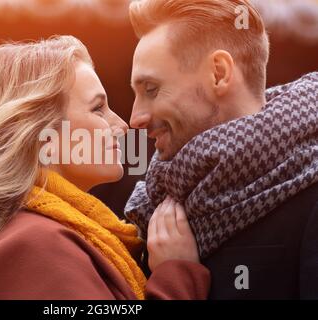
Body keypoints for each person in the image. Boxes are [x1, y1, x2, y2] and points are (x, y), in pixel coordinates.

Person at [0, 35, 210, 300]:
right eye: (98, 109)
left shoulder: (48, 238)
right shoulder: (32, 247)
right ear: (43, 136)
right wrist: (177, 272)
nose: (123, 125)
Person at [125, 0, 318, 299]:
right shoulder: (153, 208)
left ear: (218, 73)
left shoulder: (310, 201)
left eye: (151, 90)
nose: (136, 118)